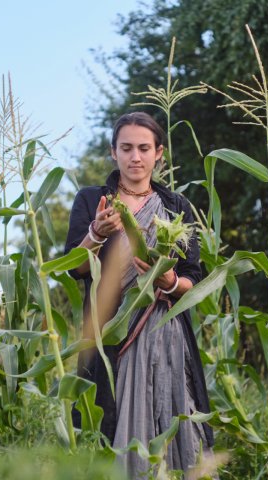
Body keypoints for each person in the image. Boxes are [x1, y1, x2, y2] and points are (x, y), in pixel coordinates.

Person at [65, 112, 214, 476]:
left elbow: (194, 277)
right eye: (126, 148)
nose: (135, 157)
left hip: (166, 335)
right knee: (107, 423)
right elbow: (74, 267)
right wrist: (96, 234)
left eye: (144, 148)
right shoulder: (94, 201)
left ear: (158, 153)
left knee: (176, 420)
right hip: (111, 334)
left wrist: (169, 282)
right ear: (113, 152)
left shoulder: (176, 207)